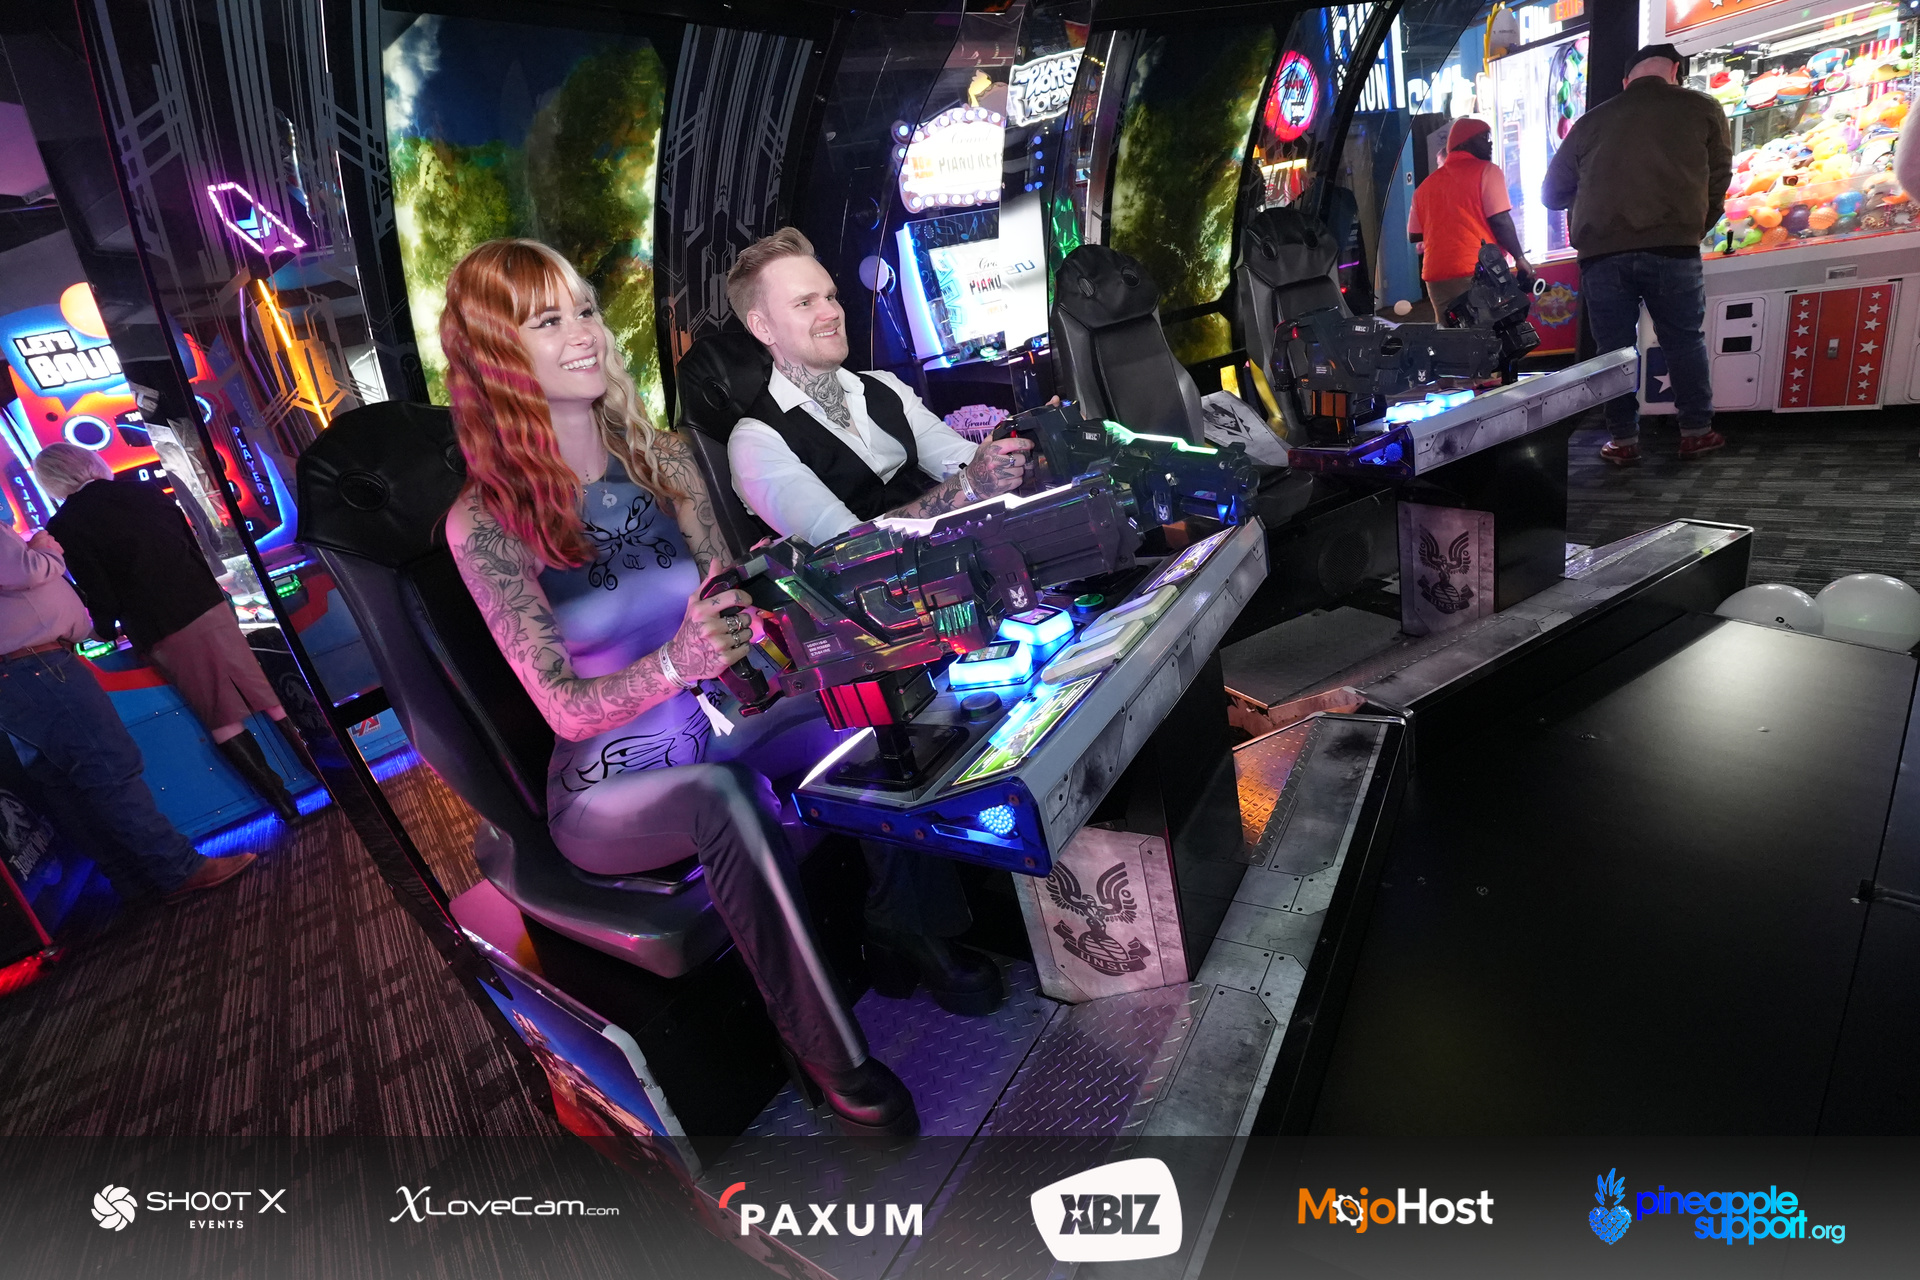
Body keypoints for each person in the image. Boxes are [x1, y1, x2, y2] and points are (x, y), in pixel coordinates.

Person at [441, 239, 1002, 1138]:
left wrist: (758, 599)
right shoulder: (484, 521)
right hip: (607, 784)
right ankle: (829, 1056)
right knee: (723, 796)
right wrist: (677, 662)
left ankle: (908, 925)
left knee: (871, 690)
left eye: (585, 310)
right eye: (549, 321)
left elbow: (720, 605)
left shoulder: (661, 462)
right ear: (496, 355)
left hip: (712, 718)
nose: (584, 334)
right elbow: (562, 709)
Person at [34, 443, 319, 826]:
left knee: (220, 715)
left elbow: (99, 592)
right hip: (206, 601)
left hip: (159, 625)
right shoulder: (143, 490)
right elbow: (192, 543)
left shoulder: (63, 526)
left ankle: (285, 809)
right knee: (269, 694)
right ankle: (333, 774)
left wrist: (100, 630)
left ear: (51, 481)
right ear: (90, 461)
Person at [0, 523, 256, 910]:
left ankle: (132, 879)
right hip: (38, 666)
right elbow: (26, 570)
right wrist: (42, 545)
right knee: (109, 768)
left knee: (66, 783)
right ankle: (178, 869)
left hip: (22, 673)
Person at [723, 227, 1031, 545]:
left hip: (962, 549)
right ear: (763, 327)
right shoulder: (756, 443)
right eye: (804, 303)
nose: (831, 312)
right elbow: (848, 544)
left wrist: (1023, 444)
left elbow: (959, 459)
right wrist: (968, 487)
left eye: (830, 297)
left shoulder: (885, 386)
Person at [1544, 43, 1732, 466]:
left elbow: (1551, 193)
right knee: (1683, 340)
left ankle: (1624, 441)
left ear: (1626, 80)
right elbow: (1720, 178)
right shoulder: (1701, 107)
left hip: (1601, 253)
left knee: (1613, 351)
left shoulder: (1590, 122)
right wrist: (1694, 227)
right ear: (1675, 71)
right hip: (1674, 246)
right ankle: (1696, 433)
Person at [1408, 117, 1534, 319]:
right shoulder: (1487, 171)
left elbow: (1414, 234)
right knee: (1492, 331)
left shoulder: (1425, 187)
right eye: (1484, 138)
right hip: (1478, 269)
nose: (1490, 143)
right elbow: (1500, 221)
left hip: (1436, 275)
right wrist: (1519, 258)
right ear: (1464, 143)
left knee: (1451, 332)